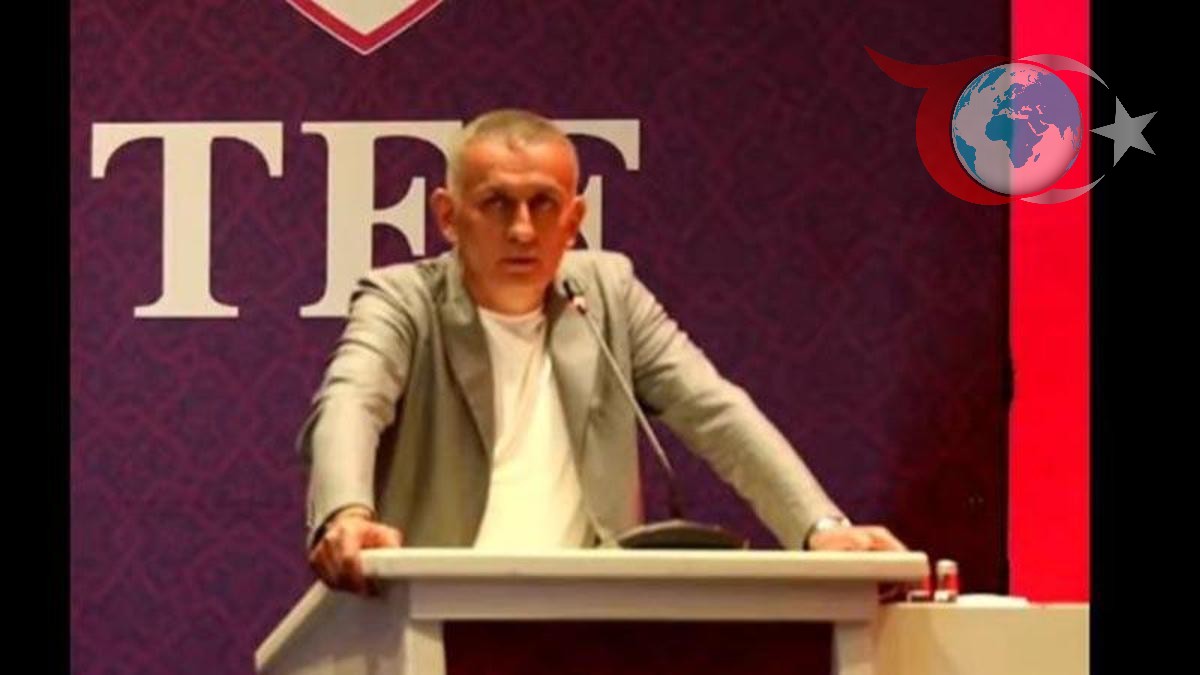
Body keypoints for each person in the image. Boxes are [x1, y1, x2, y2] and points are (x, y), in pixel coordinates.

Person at [303, 109, 905, 594]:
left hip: (589, 619)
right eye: (496, 203)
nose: (521, 229)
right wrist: (346, 514)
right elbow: (352, 401)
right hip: (435, 614)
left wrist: (820, 527)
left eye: (542, 204)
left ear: (574, 220)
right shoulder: (402, 300)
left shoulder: (609, 294)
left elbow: (715, 411)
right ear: (447, 216)